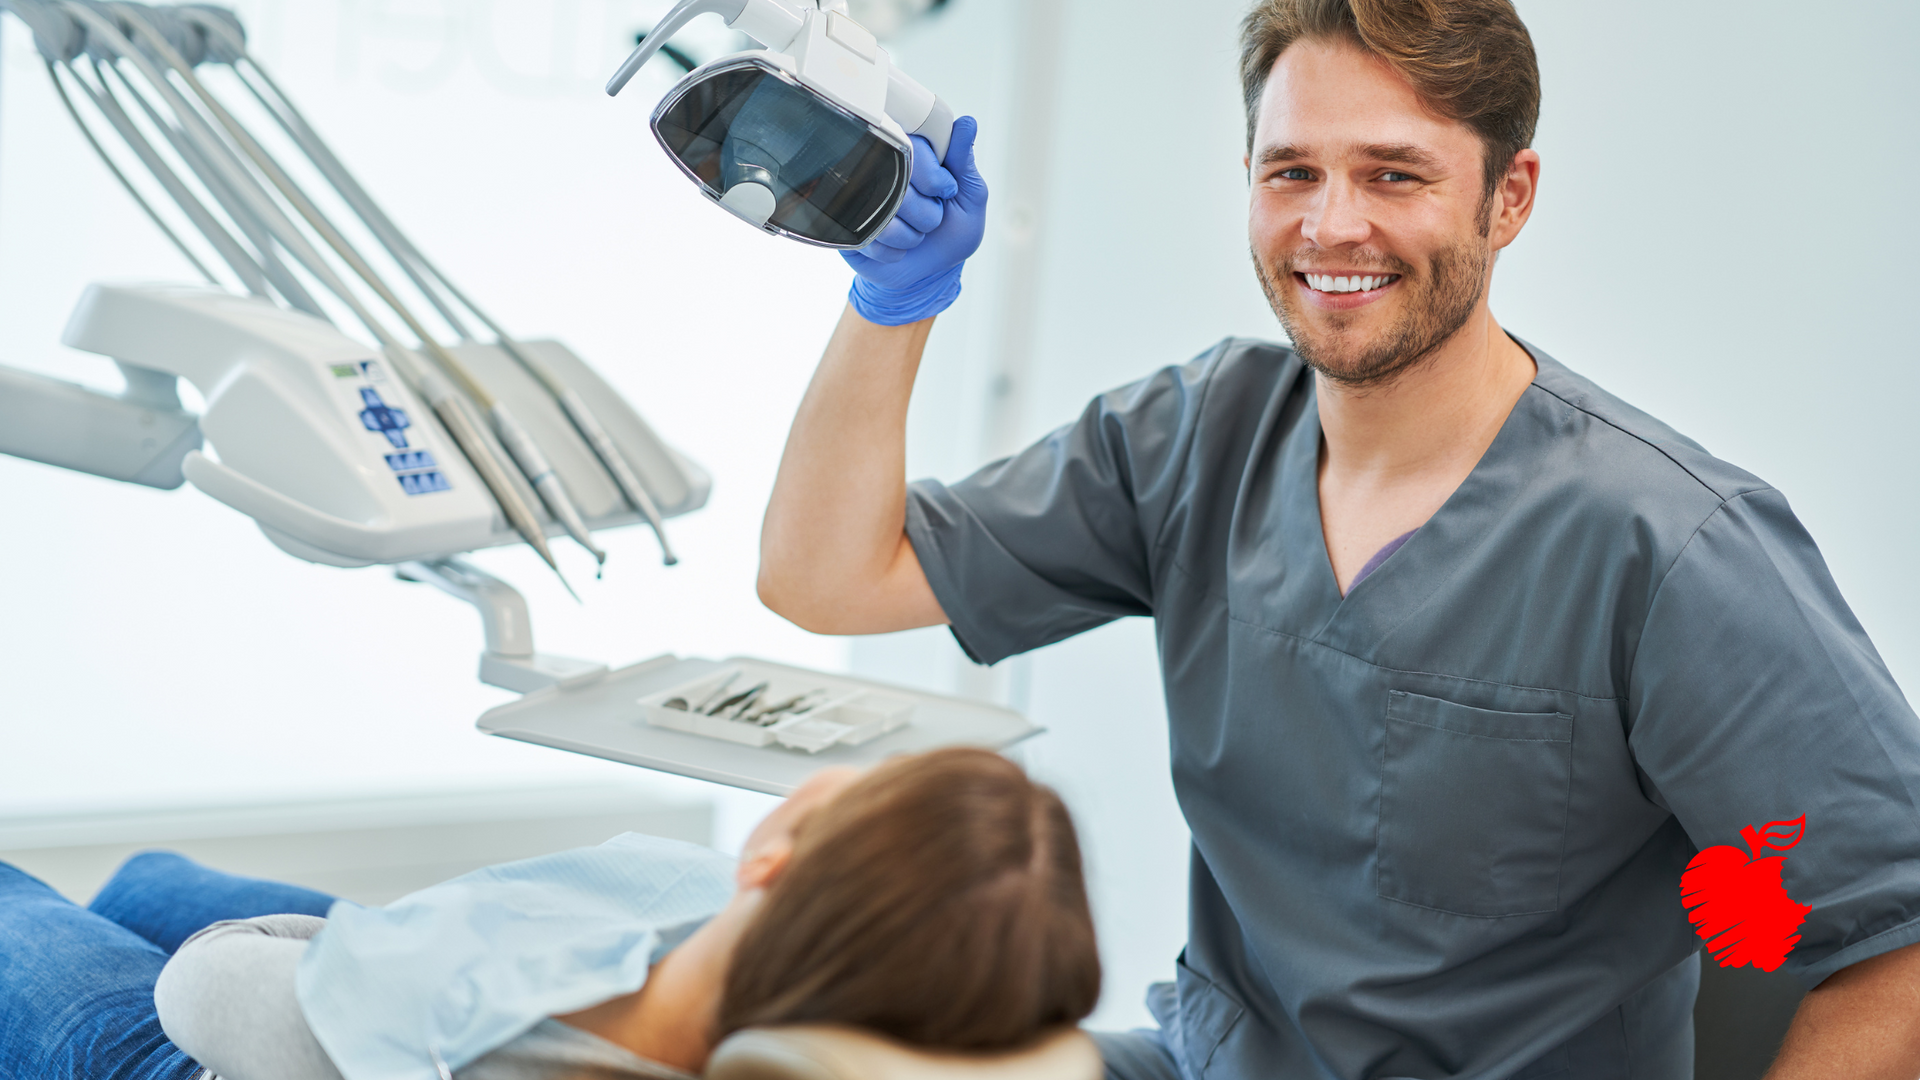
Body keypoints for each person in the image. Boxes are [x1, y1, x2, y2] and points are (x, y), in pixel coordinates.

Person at [754, 0, 1920, 1077]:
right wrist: (889, 302)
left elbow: (1901, 950)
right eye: (1293, 170)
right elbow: (828, 576)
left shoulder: (1667, 544)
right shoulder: (1197, 440)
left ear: (1508, 197)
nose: (1331, 224)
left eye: (1394, 174)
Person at [0, 748, 1100, 1080]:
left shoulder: (497, 1042)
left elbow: (203, 990)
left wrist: (371, 952)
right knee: (146, 878)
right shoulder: (812, 993)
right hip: (400, 981)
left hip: (236, 1044)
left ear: (783, 858)